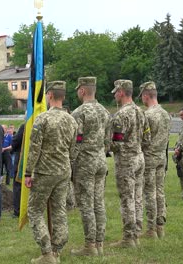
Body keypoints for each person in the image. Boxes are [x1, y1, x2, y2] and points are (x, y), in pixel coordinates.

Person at [25, 81, 77, 263]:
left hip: (45, 172)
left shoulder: (43, 119)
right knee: (59, 210)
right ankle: (57, 250)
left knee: (35, 210)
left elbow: (34, 149)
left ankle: (47, 253)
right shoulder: (72, 120)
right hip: (64, 171)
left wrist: (27, 173)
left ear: (50, 96)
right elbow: (73, 150)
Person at [69, 77, 111, 256]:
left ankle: (90, 245)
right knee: (98, 202)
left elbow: (75, 142)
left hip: (85, 163)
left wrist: (70, 162)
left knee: (86, 204)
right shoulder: (105, 111)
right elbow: (109, 141)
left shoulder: (79, 113)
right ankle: (99, 242)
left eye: (78, 89)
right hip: (101, 160)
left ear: (83, 91)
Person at [110, 79, 150, 248]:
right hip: (139, 157)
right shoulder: (141, 112)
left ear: (121, 92)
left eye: (115, 92)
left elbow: (116, 143)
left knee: (127, 199)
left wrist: (105, 144)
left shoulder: (121, 115)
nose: (115, 96)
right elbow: (147, 138)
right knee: (138, 197)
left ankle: (128, 238)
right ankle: (137, 233)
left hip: (126, 161)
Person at [138, 81, 171, 239]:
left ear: (146, 95)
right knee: (160, 191)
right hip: (161, 157)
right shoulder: (165, 114)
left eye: (142, 97)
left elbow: (144, 139)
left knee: (150, 193)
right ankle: (160, 226)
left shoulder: (148, 115)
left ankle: (151, 228)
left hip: (150, 156)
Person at [11, 123, 24, 218]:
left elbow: (16, 141)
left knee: (18, 186)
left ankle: (18, 211)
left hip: (22, 160)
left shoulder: (25, 126)